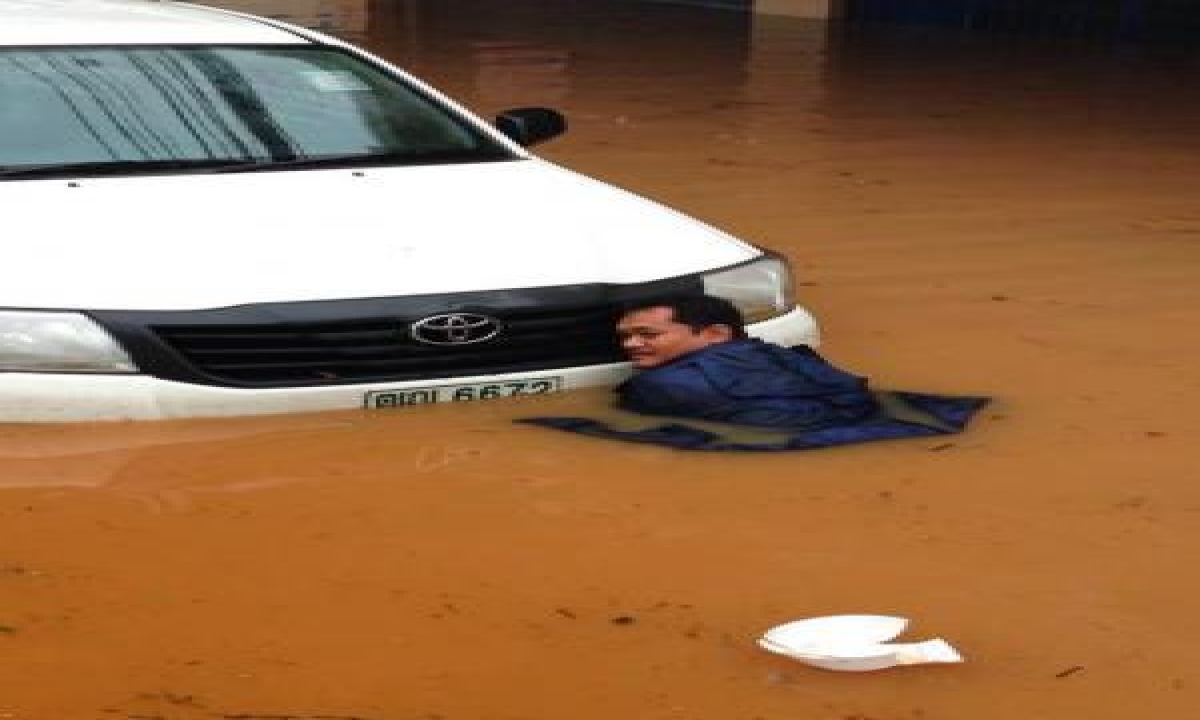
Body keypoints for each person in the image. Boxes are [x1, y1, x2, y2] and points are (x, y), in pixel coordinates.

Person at [614, 295, 880, 429]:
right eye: (626, 336)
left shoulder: (659, 385)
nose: (631, 344)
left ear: (716, 334)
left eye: (648, 335)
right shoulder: (782, 354)